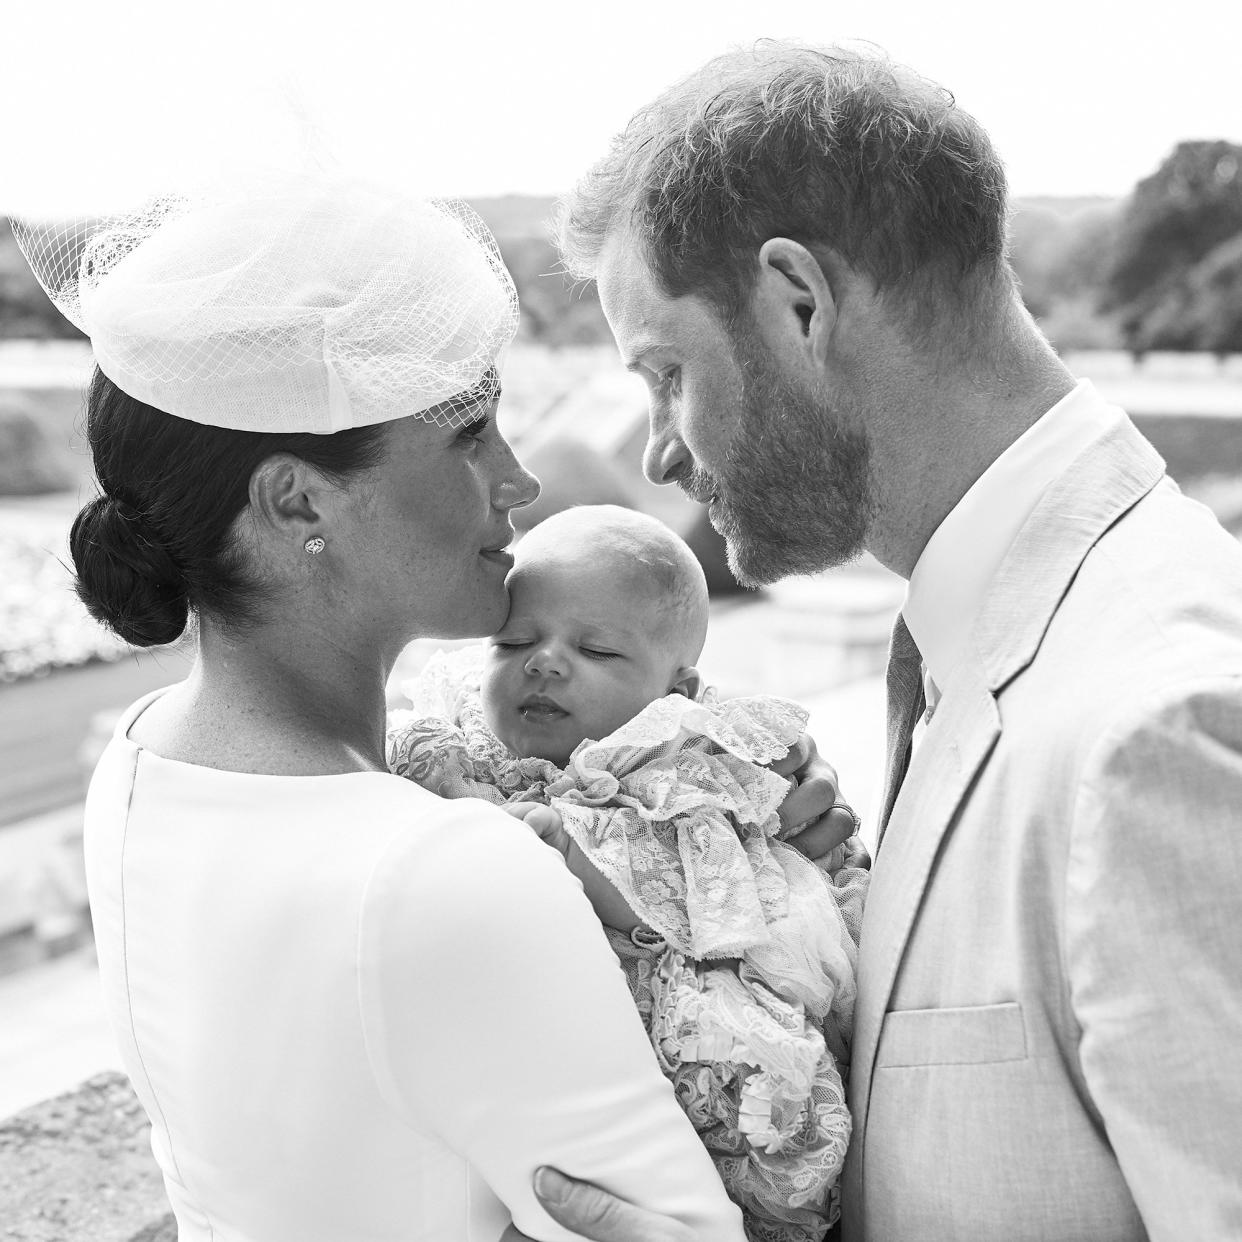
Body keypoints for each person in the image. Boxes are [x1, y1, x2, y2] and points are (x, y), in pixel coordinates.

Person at [14, 174, 852, 1242]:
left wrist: (708, 802)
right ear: (297, 500)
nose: (518, 481)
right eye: (468, 435)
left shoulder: (137, 766)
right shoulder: (452, 868)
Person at [520, 39, 1242, 1242]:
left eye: (665, 371)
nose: (656, 451)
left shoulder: (1161, 728)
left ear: (798, 302)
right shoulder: (988, 647)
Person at [388, 504, 869, 1242]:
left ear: (674, 695)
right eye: (514, 639)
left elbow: (678, 895)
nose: (544, 660)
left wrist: (563, 854)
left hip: (673, 1021)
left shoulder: (677, 767)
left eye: (599, 652)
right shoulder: (458, 739)